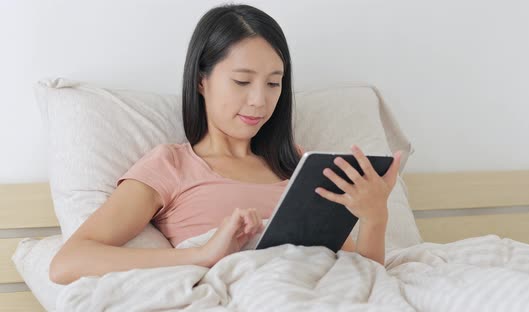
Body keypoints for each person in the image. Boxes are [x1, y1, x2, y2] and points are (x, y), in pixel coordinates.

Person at [49, 4, 402, 285]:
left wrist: (375, 217)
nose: (259, 102)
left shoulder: (298, 164)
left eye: (273, 84)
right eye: (242, 81)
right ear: (202, 81)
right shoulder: (170, 165)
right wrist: (202, 254)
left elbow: (361, 277)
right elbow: (68, 262)